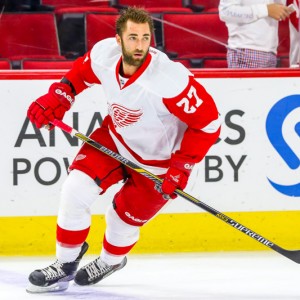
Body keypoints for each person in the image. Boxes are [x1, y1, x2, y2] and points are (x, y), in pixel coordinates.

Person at [26, 6, 221, 293]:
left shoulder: (170, 78)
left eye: (145, 37)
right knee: (74, 190)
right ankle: (64, 264)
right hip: (114, 138)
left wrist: (182, 167)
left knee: (120, 221)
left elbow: (209, 124)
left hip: (159, 162)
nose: (140, 44)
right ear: (119, 39)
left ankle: (111, 261)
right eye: (132, 37)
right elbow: (78, 76)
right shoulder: (105, 54)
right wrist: (59, 97)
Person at [219, 0, 293, 68]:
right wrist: (265, 9)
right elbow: (225, 11)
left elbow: (276, 10)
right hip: (245, 51)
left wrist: (279, 9)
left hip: (270, 52)